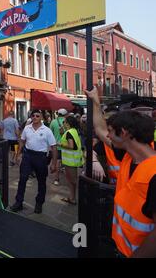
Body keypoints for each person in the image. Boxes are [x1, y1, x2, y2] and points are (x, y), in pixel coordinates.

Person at [86, 86, 156, 257]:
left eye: (112, 132)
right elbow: (101, 131)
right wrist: (96, 102)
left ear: (124, 133)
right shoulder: (127, 154)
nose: (108, 136)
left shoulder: (153, 174)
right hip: (121, 248)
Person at [11, 109, 57, 214]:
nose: (35, 117)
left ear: (41, 117)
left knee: (41, 182)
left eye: (37, 116)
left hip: (41, 157)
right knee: (22, 179)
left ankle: (39, 203)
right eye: (33, 116)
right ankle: (19, 202)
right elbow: (22, 141)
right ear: (31, 117)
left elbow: (54, 147)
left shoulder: (47, 130)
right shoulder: (27, 128)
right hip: (28, 156)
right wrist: (18, 155)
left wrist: (54, 163)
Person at [59, 116, 84, 205]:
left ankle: (73, 198)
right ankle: (72, 197)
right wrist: (62, 134)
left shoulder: (69, 132)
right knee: (72, 181)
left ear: (68, 123)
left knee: (72, 181)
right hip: (73, 160)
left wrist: (60, 144)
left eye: (64, 122)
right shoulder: (73, 131)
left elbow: (71, 146)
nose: (63, 124)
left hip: (70, 161)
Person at [49, 108, 68, 186]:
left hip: (56, 145)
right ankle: (68, 180)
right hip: (66, 146)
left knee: (57, 162)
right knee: (67, 163)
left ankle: (56, 179)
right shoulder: (67, 122)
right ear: (65, 114)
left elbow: (50, 133)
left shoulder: (53, 122)